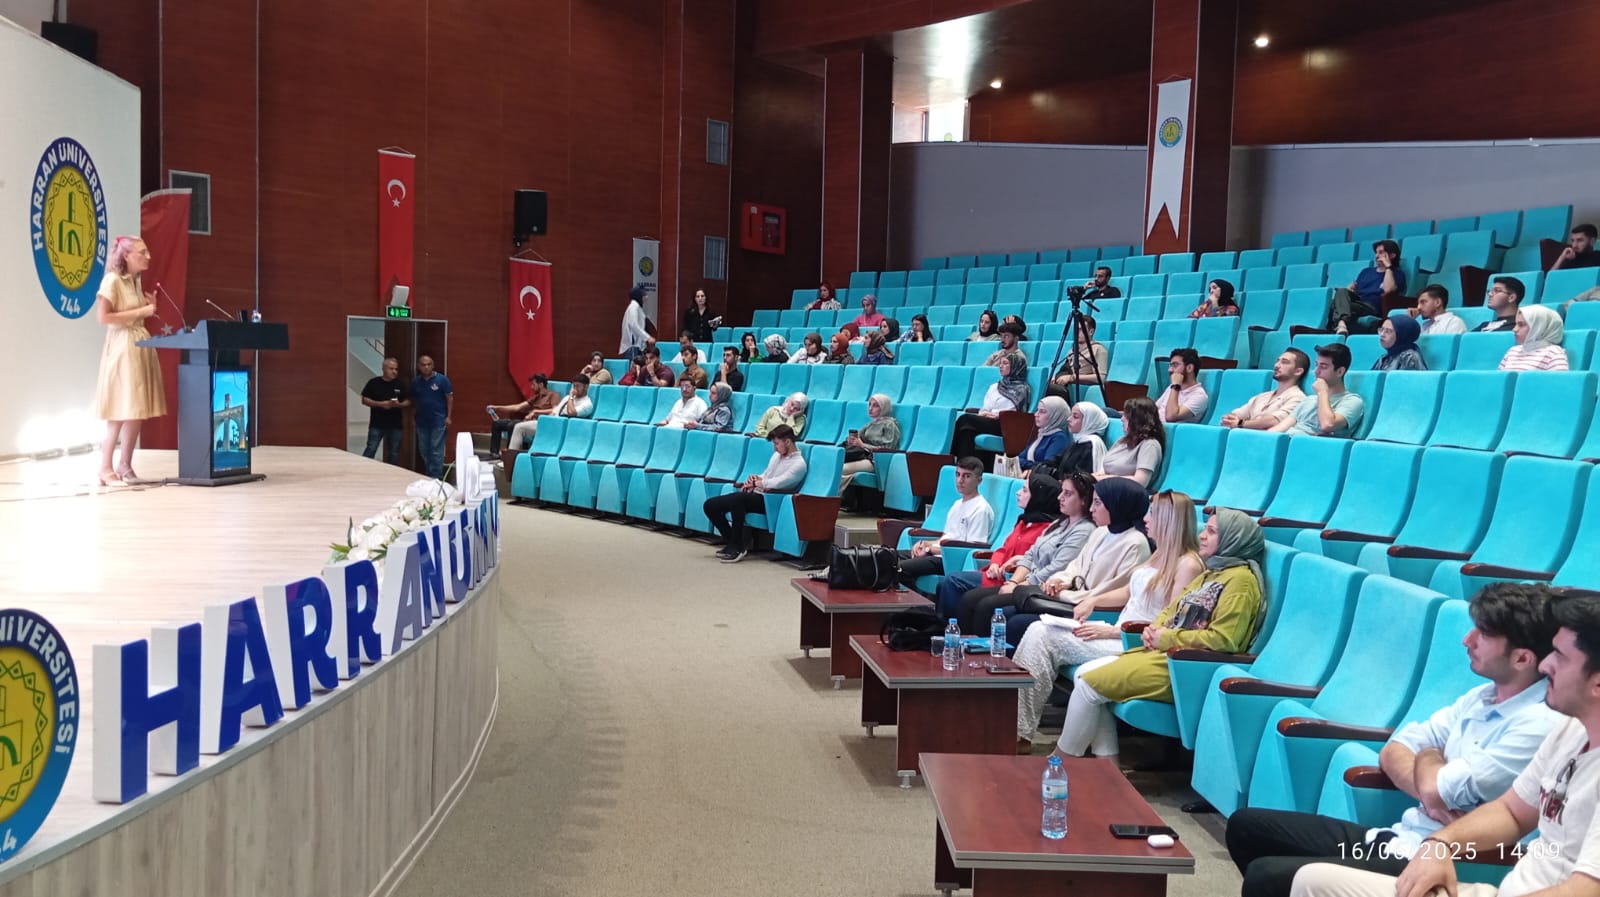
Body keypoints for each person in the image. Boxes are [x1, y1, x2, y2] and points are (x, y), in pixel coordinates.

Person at [1225, 582, 1564, 897]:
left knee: (1268, 876)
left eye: (1483, 634)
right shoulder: (1482, 696)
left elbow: (1434, 785)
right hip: (1396, 838)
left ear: (1522, 658)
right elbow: (1395, 750)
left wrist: (1428, 759)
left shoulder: (1537, 724)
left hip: (1438, 860)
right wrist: (1430, 784)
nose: (1467, 640)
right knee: (1247, 827)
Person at [1063, 508, 1265, 762]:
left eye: (1212, 532)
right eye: (1205, 529)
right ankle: (1108, 767)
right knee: (1085, 675)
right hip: (1161, 655)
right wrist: (1154, 628)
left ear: (1234, 539)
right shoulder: (1212, 572)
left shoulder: (1241, 582)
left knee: (1089, 685)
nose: (1202, 536)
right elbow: (1171, 610)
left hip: (1184, 668)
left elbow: (1225, 640)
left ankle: (1062, 761)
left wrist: (1166, 638)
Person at [1013, 490, 1204, 753]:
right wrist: (1094, 601)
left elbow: (1170, 622)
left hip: (1135, 643)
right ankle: (1021, 729)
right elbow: (1128, 592)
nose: (1146, 518)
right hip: (1117, 631)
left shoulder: (1188, 565)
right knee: (1039, 628)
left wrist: (1112, 633)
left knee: (1043, 636)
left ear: (1168, 520)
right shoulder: (1160, 553)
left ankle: (1020, 732)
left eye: (1152, 513)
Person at [940, 472, 1098, 634]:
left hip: (1044, 589)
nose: (1060, 497)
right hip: (1025, 584)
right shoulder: (1059, 523)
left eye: (1067, 493)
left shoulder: (1084, 530)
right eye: (1061, 492)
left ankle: (982, 648)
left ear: (1084, 500)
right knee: (970, 599)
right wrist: (1013, 582)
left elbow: (1057, 567)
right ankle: (961, 643)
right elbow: (1030, 555)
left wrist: (1019, 586)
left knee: (985, 606)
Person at [997, 477, 1154, 638]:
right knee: (1006, 613)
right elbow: (1075, 567)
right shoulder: (1101, 532)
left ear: (1117, 505)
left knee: (1016, 623)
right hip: (1072, 598)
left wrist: (1068, 595)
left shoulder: (1135, 544)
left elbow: (1113, 590)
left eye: (1097, 503)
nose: (1091, 509)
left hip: (1091, 611)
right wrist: (1059, 581)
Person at [929, 473, 1060, 621]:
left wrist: (1010, 568)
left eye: (1024, 490)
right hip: (994, 573)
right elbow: (1003, 549)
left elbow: (1035, 561)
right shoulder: (1024, 521)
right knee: (943, 586)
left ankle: (953, 627)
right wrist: (995, 564)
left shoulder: (1048, 530)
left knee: (953, 581)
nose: (1018, 493)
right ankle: (943, 625)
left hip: (1010, 578)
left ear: (1038, 497)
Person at [93, 235, 168, 486]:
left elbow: (136, 314)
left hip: (138, 345)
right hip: (122, 347)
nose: (148, 256)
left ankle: (125, 465)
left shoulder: (136, 281)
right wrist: (142, 311)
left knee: (136, 409)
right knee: (119, 408)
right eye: (142, 252)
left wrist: (149, 308)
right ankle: (105, 468)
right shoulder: (112, 280)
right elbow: (104, 317)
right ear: (126, 255)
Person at [704, 425, 807, 562]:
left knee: (738, 499)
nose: (775, 448)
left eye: (777, 443)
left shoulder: (799, 464)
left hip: (772, 501)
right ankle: (733, 542)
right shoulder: (777, 456)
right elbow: (766, 475)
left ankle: (738, 547)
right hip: (758, 495)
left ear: (787, 442)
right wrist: (755, 479)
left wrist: (757, 483)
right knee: (710, 505)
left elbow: (778, 483)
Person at [896, 457, 996, 591]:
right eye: (958, 474)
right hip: (937, 553)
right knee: (889, 557)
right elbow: (947, 537)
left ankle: (918, 600)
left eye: (967, 476)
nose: (960, 480)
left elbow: (971, 548)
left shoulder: (981, 509)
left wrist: (930, 549)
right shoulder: (957, 504)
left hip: (949, 561)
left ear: (979, 480)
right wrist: (925, 544)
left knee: (899, 568)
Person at [950, 351, 1032, 461]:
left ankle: (950, 455)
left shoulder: (1021, 389)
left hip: (1004, 425)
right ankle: (965, 463)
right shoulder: (995, 386)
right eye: (1000, 363)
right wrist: (985, 413)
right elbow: (986, 408)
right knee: (967, 432)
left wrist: (992, 414)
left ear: (1015, 367)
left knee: (965, 419)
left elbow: (1012, 412)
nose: (1001, 366)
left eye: (1005, 363)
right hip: (988, 419)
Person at [1275, 343, 1364, 438]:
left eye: (1323, 367)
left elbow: (1328, 425)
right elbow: (1278, 429)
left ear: (1340, 372)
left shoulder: (1352, 401)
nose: (1316, 371)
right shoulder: (1308, 400)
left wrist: (1322, 392)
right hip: (1287, 441)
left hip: (1310, 445)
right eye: (1316, 365)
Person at [1328, 240, 1405, 335]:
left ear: (1392, 255)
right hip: (1358, 302)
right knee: (1341, 292)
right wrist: (1350, 289)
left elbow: (1388, 290)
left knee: (1334, 305)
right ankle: (1342, 324)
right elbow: (1355, 289)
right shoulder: (1366, 271)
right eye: (1376, 252)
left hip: (1372, 307)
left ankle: (1337, 327)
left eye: (1381, 252)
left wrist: (1388, 267)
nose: (1377, 256)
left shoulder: (1397, 273)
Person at [1223, 349, 1310, 430]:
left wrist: (1241, 423)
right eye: (1277, 361)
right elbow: (1235, 415)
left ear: (1298, 371)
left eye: (1284, 362)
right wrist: (1230, 419)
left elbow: (1274, 421)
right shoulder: (1262, 396)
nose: (1276, 365)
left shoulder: (1298, 398)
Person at [507, 375, 594, 451]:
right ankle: (510, 457)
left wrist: (571, 397)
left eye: (578, 386)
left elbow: (571, 413)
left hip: (564, 428)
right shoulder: (566, 398)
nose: (575, 389)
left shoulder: (587, 404)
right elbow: (554, 412)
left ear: (586, 387)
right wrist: (541, 417)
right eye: (574, 386)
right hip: (551, 423)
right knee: (519, 427)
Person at [840, 394, 902, 491]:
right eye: (870, 404)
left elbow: (888, 449)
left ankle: (833, 496)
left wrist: (862, 445)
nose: (870, 408)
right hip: (863, 456)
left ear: (884, 408)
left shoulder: (890, 424)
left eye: (875, 406)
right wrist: (851, 440)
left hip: (876, 461)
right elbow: (858, 436)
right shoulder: (871, 424)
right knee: (834, 466)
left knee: (839, 469)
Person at [487, 373, 560, 454]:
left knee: (512, 425)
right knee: (497, 424)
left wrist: (536, 412)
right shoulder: (536, 397)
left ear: (541, 385)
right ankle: (494, 453)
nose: (531, 387)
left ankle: (509, 454)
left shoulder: (553, 395)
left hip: (539, 422)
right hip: (527, 421)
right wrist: (497, 408)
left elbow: (555, 410)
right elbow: (517, 407)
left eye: (533, 384)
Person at [1100, 396, 1166, 486]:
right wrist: (1090, 477)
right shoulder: (1122, 440)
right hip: (1106, 486)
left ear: (1138, 419)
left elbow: (1140, 482)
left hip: (1124, 491)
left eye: (1126, 415)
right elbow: (1106, 470)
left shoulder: (1150, 445)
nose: (1122, 419)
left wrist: (1104, 479)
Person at [360, 356, 411, 465]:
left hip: (395, 425)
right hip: (377, 424)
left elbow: (408, 401)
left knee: (394, 452)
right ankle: (363, 468)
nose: (394, 371)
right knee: (371, 448)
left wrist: (399, 405)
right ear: (383, 368)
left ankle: (391, 472)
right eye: (391, 369)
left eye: (396, 369)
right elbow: (364, 400)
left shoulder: (400, 384)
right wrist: (381, 404)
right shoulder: (374, 383)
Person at [412, 353, 454, 479]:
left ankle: (436, 477)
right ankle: (430, 473)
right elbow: (414, 401)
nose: (426, 367)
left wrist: (448, 417)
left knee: (436, 449)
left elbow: (449, 398)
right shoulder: (416, 382)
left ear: (433, 365)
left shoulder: (442, 380)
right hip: (421, 421)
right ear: (419, 366)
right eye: (423, 365)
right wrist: (413, 418)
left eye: (429, 364)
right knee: (424, 449)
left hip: (438, 420)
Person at [1048, 315, 1110, 398]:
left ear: (1091, 332)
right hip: (1066, 385)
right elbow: (1066, 368)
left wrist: (1071, 378)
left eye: (1081, 329)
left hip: (1078, 387)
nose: (1077, 332)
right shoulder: (1072, 350)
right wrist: (1056, 378)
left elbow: (1101, 378)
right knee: (1044, 385)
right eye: (1076, 329)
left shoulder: (1099, 349)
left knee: (1049, 389)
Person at [1009, 397, 1072, 474]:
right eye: (1037, 410)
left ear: (1055, 415)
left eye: (1042, 411)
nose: (1036, 414)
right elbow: (1019, 458)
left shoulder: (1059, 438)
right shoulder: (1041, 434)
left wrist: (1025, 464)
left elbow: (1046, 467)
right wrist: (1028, 464)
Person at [1499, 305, 1570, 371]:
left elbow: (1558, 380)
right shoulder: (1512, 351)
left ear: (1539, 327)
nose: (1514, 329)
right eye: (1516, 324)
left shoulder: (1554, 353)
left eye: (1521, 324)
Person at [1053, 401, 1110, 475]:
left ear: (1089, 421)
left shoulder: (1090, 446)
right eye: (1070, 415)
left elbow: (1080, 475)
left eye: (1075, 417)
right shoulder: (1078, 441)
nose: (1069, 419)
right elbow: (1057, 460)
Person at [1159, 348, 1209, 424]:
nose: (1170, 370)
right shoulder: (1171, 387)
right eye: (1170, 366)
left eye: (1175, 365)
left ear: (1189, 368)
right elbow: (1154, 409)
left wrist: (1175, 386)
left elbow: (1170, 416)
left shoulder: (1199, 396)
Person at [619, 287, 651, 360]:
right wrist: (648, 337)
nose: (646, 297)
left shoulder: (637, 307)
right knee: (634, 366)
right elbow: (634, 325)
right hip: (633, 345)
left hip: (637, 346)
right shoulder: (634, 307)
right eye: (644, 294)